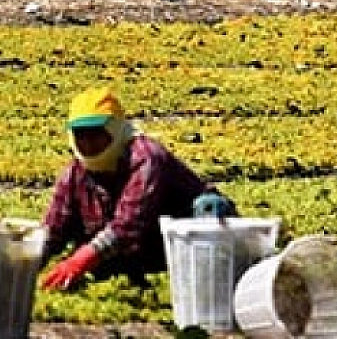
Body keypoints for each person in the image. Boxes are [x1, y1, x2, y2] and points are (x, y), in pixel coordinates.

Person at [39, 86, 237, 290]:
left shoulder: (146, 158)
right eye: (81, 135)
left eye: (96, 134)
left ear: (115, 130)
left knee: (209, 206)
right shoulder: (75, 174)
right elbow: (53, 230)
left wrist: (81, 259)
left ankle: (211, 286)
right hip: (135, 253)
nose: (88, 143)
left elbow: (128, 225)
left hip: (177, 246)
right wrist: (26, 263)